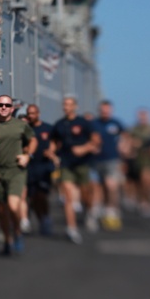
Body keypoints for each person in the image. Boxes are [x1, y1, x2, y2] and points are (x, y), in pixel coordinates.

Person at [0, 95, 36, 256]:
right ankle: (7, 239)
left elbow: (33, 141)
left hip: (15, 170)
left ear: (12, 109)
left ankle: (18, 232)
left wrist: (28, 156)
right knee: (2, 209)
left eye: (7, 105)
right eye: (0, 105)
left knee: (13, 205)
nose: (4, 107)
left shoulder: (21, 125)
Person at [51, 96, 101, 244]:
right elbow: (54, 142)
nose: (66, 107)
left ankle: (90, 211)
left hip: (83, 163)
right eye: (64, 104)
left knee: (86, 193)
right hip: (66, 164)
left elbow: (96, 141)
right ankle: (71, 228)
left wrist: (84, 148)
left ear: (75, 106)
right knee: (68, 196)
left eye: (69, 104)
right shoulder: (59, 124)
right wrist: (52, 154)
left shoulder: (84, 123)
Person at [22, 104, 58, 236]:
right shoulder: (25, 129)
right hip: (30, 166)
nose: (30, 116)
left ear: (38, 114)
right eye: (28, 113)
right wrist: (26, 150)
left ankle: (46, 218)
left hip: (44, 166)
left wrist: (52, 151)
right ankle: (40, 219)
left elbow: (56, 141)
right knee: (32, 197)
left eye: (33, 113)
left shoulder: (48, 128)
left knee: (42, 194)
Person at [90, 100, 126, 231]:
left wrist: (124, 147)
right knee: (97, 188)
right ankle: (95, 212)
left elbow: (125, 137)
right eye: (103, 110)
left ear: (111, 110)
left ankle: (112, 210)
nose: (105, 112)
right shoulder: (94, 124)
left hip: (112, 160)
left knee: (111, 185)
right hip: (95, 160)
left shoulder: (116, 124)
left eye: (107, 109)